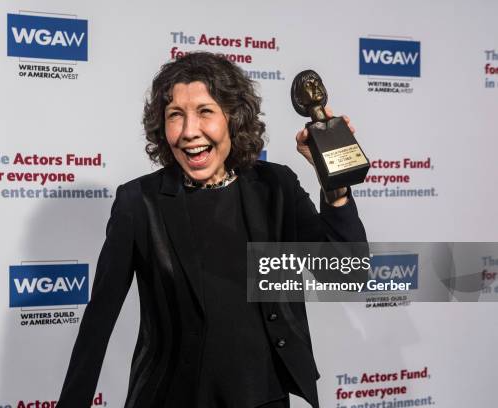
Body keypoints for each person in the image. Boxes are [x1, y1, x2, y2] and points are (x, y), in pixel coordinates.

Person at [58, 52, 366, 408]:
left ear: (233, 118)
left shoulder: (274, 186)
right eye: (175, 115)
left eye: (205, 111)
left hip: (265, 397)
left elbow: (347, 273)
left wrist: (336, 187)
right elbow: (98, 323)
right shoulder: (139, 202)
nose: (190, 132)